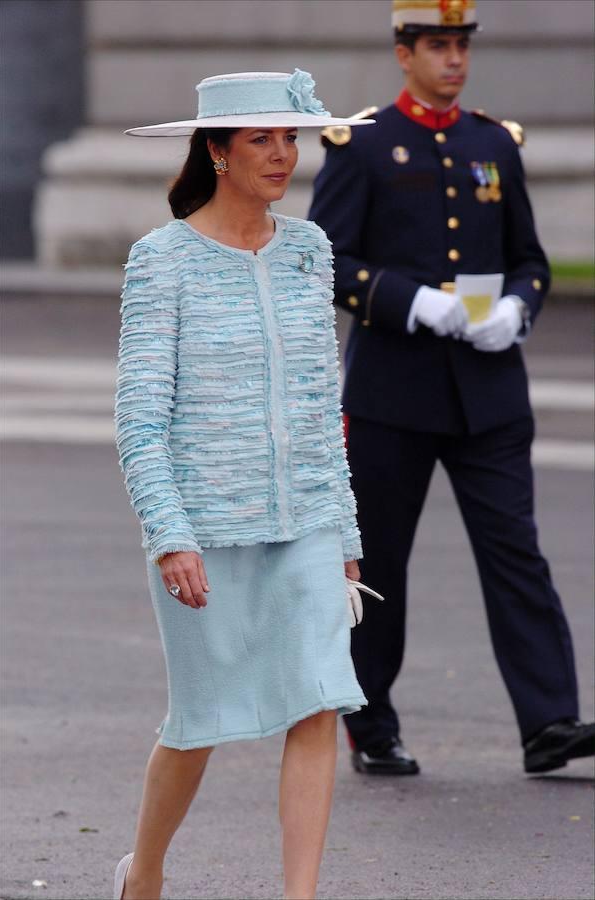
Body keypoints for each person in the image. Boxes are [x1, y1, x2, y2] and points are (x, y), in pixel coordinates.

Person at [309, 0, 595, 777]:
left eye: (461, 45)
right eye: (438, 45)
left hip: (490, 391)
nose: (454, 60)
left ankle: (551, 722)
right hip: (392, 394)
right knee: (382, 566)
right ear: (404, 53)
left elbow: (530, 259)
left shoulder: (493, 144)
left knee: (516, 553)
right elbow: (326, 260)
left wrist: (518, 307)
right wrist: (412, 300)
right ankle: (371, 723)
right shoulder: (364, 143)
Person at [113, 70, 375, 900]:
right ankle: (144, 873)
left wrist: (345, 537)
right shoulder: (162, 260)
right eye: (261, 138)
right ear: (217, 152)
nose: (281, 154)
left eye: (290, 137)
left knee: (320, 699)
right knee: (200, 724)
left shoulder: (309, 249)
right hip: (205, 531)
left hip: (306, 520)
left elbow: (319, 405)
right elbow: (140, 420)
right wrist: (170, 534)